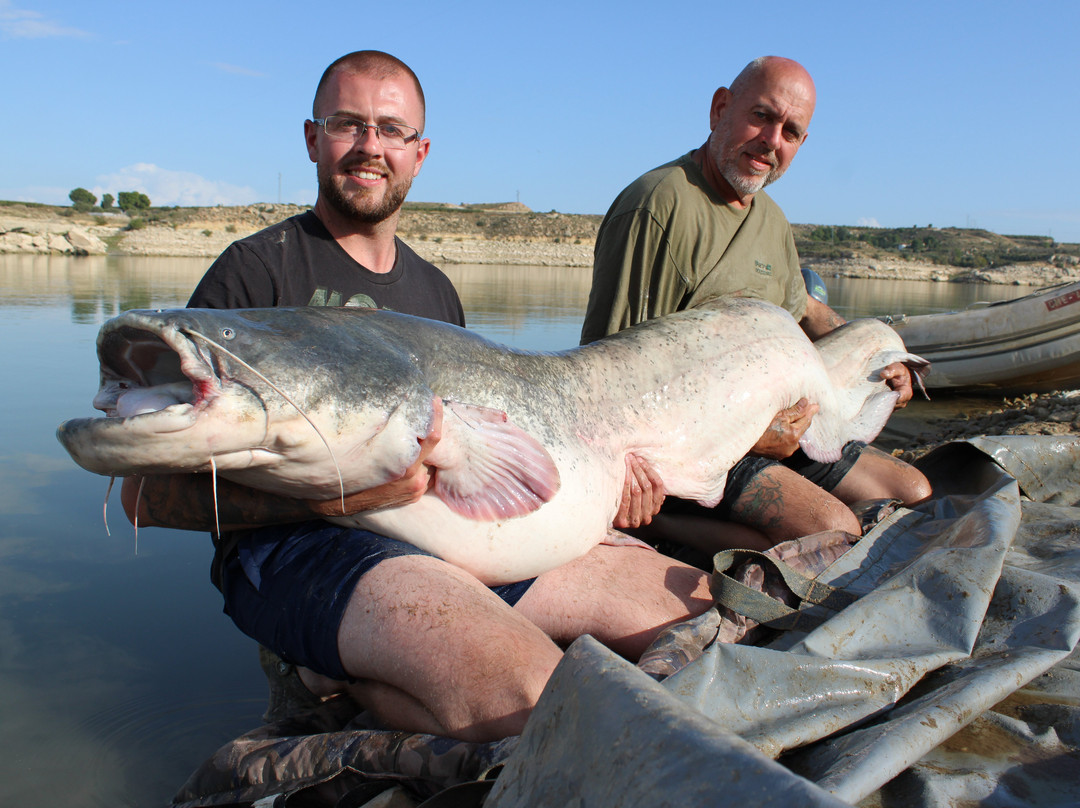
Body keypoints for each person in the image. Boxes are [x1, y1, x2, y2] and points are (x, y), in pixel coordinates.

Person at [122, 50, 710, 743]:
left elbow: (478, 459)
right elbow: (144, 496)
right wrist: (347, 495)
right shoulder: (253, 278)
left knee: (693, 609)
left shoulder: (437, 297)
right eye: (348, 124)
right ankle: (314, 673)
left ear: (419, 152)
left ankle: (361, 672)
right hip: (289, 550)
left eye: (391, 130)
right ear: (313, 138)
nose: (370, 148)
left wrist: (609, 489)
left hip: (440, 535)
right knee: (532, 691)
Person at [580, 56, 931, 557]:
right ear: (720, 108)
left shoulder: (770, 218)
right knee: (830, 530)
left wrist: (880, 358)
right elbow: (605, 376)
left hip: (786, 433)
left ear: (801, 145)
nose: (772, 140)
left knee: (912, 493)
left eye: (790, 131)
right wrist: (752, 437)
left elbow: (805, 311)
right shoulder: (658, 205)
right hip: (698, 450)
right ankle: (651, 531)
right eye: (762, 116)